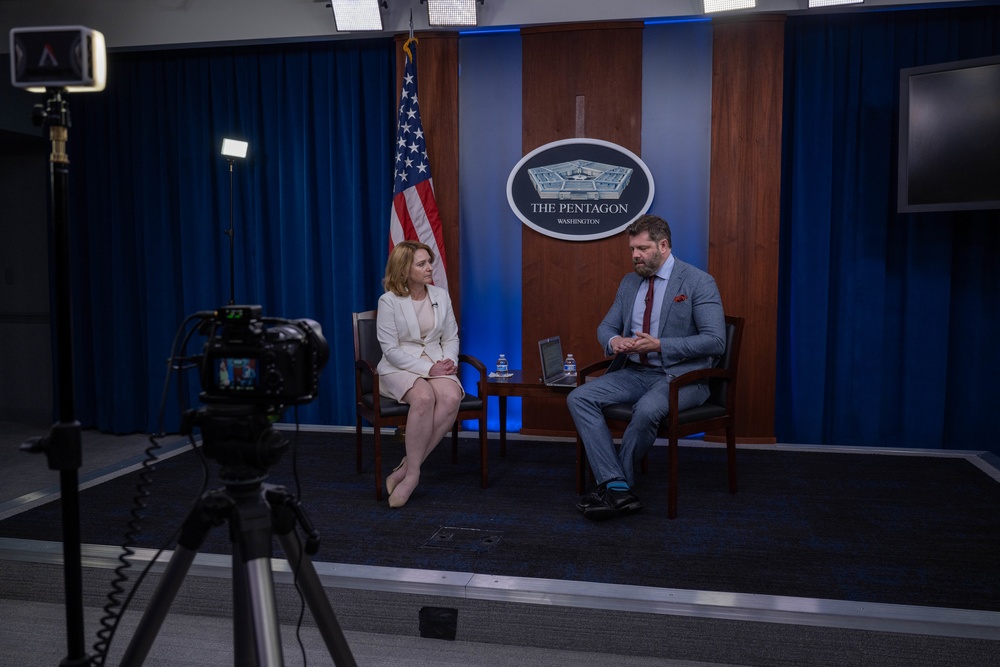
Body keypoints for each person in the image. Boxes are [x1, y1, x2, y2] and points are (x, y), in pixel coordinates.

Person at [567, 214, 726, 521]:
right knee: (579, 397)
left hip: (682, 376)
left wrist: (660, 345)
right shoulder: (630, 283)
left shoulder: (697, 282)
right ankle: (617, 486)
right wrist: (614, 341)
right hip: (636, 372)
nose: (635, 255)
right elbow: (606, 326)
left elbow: (715, 341)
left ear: (663, 246)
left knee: (647, 409)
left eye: (641, 248)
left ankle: (615, 487)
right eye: (632, 249)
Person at [376, 240, 464, 508]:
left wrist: (449, 361)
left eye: (429, 262)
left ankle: (406, 467)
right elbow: (390, 349)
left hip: (437, 362)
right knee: (424, 398)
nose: (429, 268)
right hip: (398, 367)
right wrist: (428, 369)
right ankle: (413, 475)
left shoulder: (440, 295)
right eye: (422, 263)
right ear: (404, 269)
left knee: (451, 398)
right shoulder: (389, 301)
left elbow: (451, 336)